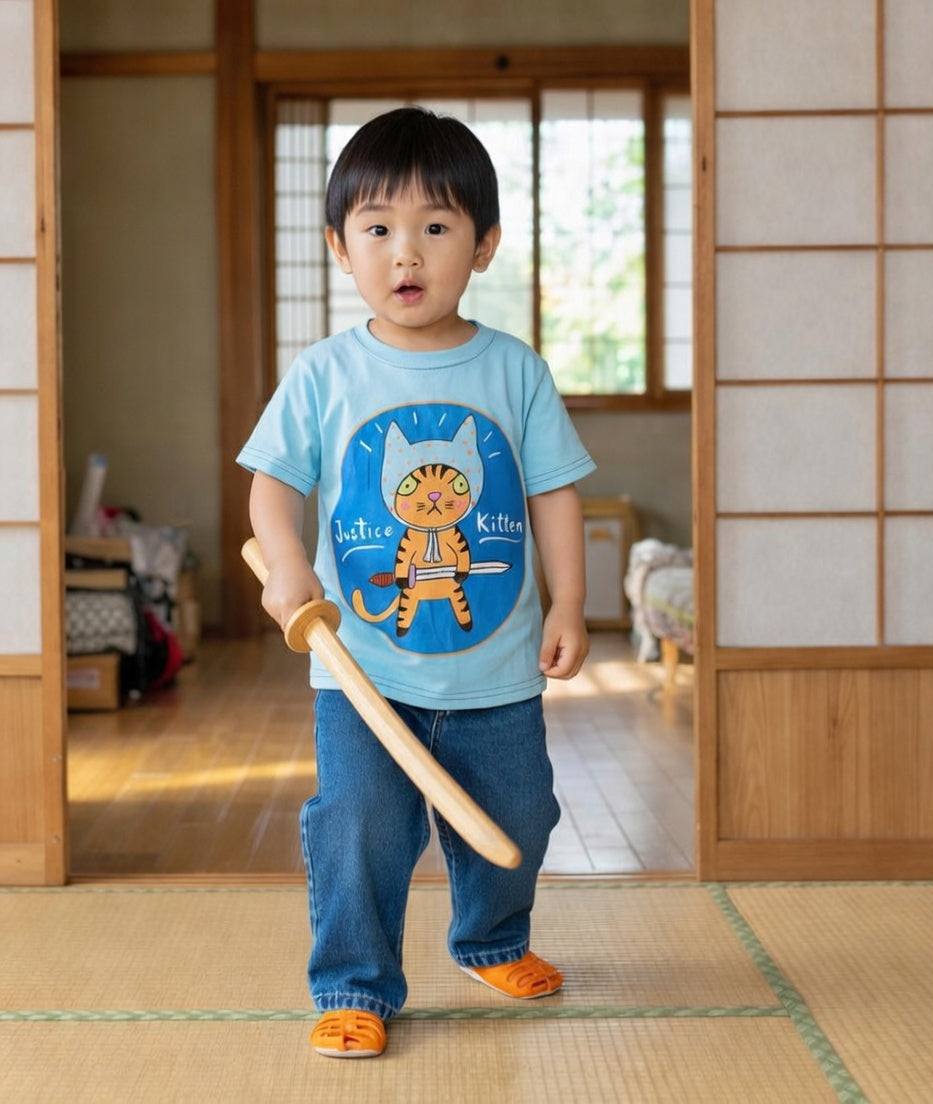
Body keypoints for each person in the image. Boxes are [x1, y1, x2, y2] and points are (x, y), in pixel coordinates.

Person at [238, 106, 596, 1058]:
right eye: (379, 229)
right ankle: (354, 981)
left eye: (437, 227)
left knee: (519, 814)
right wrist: (287, 566)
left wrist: (568, 601)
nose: (408, 252)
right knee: (358, 827)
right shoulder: (324, 374)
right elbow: (271, 489)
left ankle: (492, 940)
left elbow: (556, 494)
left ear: (482, 246)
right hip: (363, 672)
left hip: (499, 672)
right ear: (338, 246)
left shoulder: (515, 371)